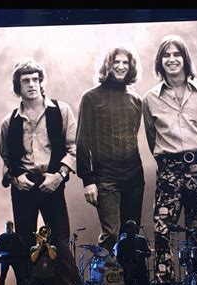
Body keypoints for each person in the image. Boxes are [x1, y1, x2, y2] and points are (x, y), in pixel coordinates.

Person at [143, 35, 197, 283]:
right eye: (166, 55)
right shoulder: (150, 98)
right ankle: (165, 283)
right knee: (163, 228)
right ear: (160, 62)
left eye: (177, 54)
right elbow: (150, 135)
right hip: (168, 167)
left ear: (185, 59)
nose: (172, 60)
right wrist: (169, 163)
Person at [0, 58, 80, 285]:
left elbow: (73, 148)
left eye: (36, 79)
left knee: (60, 242)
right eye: (26, 81)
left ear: (41, 82)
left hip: (52, 182)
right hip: (24, 185)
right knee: (26, 243)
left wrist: (60, 176)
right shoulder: (9, 121)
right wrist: (15, 179)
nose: (32, 84)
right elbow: (6, 158)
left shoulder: (61, 110)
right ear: (18, 86)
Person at [76, 46, 144, 256]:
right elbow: (81, 141)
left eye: (125, 63)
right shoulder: (91, 98)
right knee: (112, 234)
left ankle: (128, 284)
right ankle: (103, 284)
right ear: (108, 65)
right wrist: (87, 179)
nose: (121, 67)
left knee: (130, 236)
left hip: (133, 178)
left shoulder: (136, 100)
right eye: (117, 62)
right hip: (105, 178)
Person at [115, 220, 154, 285]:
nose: (133, 230)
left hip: (141, 269)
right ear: (127, 229)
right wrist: (126, 266)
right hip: (129, 270)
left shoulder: (141, 240)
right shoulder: (122, 243)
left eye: (134, 228)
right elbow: (118, 258)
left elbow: (149, 253)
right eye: (131, 228)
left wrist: (141, 253)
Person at [0, 220, 27, 285]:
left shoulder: (16, 236)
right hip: (5, 258)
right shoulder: (2, 236)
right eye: (7, 226)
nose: (7, 228)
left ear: (12, 227)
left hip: (14, 258)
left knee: (18, 276)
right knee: (3, 276)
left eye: (9, 226)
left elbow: (23, 246)